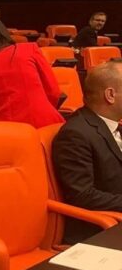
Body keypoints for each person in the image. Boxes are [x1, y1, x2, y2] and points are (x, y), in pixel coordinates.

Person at [52, 60, 122, 243]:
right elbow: (83, 196)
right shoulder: (76, 134)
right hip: (99, 229)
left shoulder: (113, 125)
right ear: (110, 95)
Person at [0, 17, 64, 128]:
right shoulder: (30, 49)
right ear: (4, 34)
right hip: (47, 124)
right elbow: (54, 92)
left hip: (4, 131)